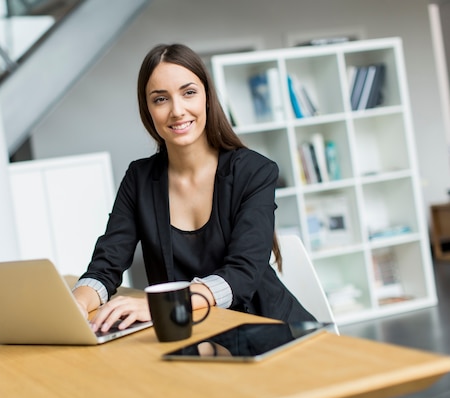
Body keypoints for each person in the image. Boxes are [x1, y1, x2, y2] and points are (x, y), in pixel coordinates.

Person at [72, 43, 315, 333]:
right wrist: (75, 304)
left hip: (268, 330)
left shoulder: (254, 171)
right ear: (147, 109)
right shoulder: (139, 178)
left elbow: (242, 274)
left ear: (207, 98)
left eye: (189, 93)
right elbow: (106, 265)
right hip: (191, 335)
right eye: (160, 99)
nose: (177, 110)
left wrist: (159, 304)